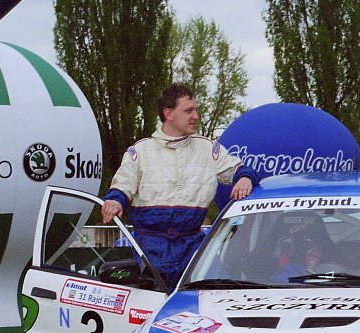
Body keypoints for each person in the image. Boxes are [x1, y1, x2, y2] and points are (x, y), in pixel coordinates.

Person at [101, 83, 259, 290]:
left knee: (214, 294)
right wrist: (114, 201)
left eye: (196, 110)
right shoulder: (140, 151)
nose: (196, 116)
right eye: (188, 111)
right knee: (152, 302)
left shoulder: (208, 149)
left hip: (192, 246)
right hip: (150, 248)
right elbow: (122, 186)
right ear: (168, 114)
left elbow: (239, 169)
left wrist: (245, 178)